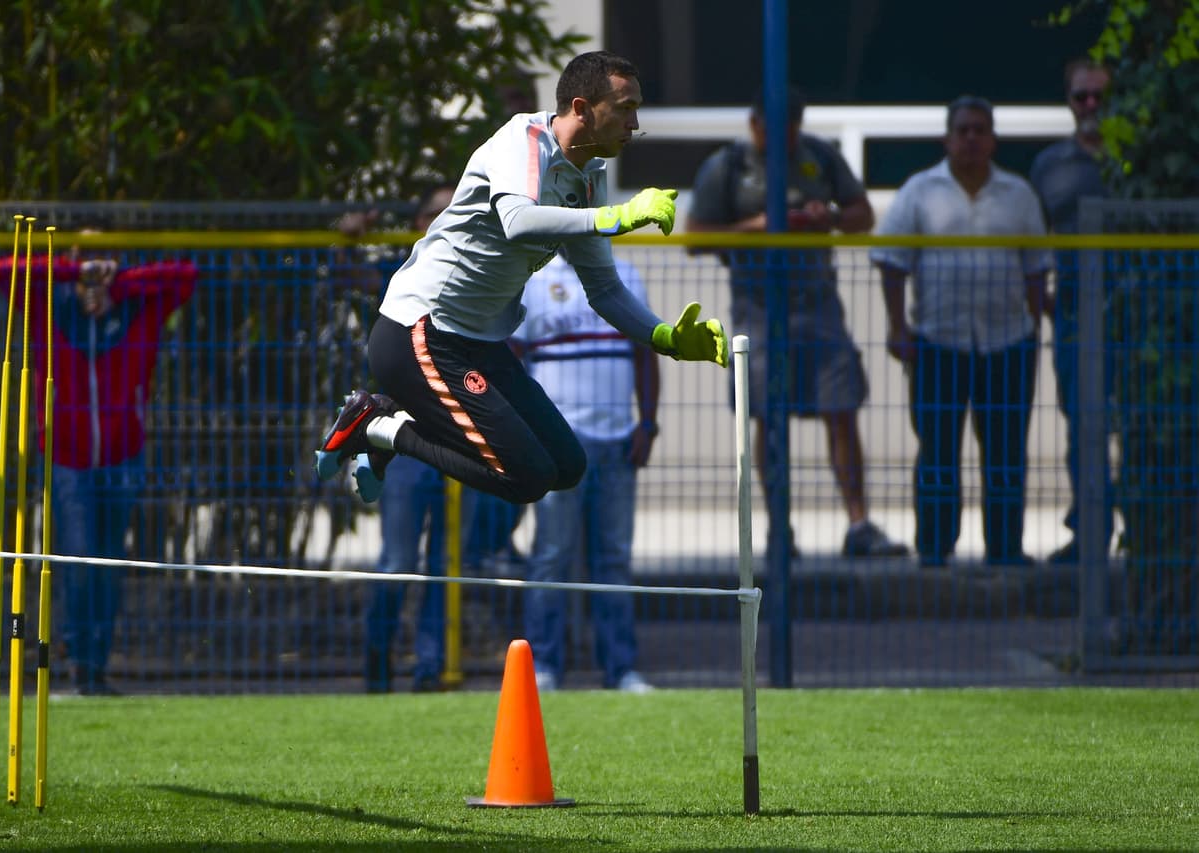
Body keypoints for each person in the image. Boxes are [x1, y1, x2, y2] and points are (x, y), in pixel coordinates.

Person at [313, 51, 727, 510]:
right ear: (582, 108)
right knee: (526, 477)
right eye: (625, 107)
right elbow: (518, 220)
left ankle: (386, 426)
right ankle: (380, 426)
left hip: (479, 341)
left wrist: (662, 336)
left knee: (566, 466)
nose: (634, 123)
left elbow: (604, 289)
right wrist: (616, 217)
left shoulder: (589, 176)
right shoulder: (523, 138)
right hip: (422, 331)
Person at [687, 88, 907, 558]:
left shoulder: (820, 157)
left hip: (818, 302)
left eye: (791, 124)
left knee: (841, 407)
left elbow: (861, 216)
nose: (781, 133)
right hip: (759, 307)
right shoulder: (729, 166)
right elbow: (694, 237)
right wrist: (762, 226)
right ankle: (778, 531)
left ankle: (859, 525)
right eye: (772, 123)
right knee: (769, 415)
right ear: (754, 123)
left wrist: (822, 217)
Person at [0, 230, 196, 694]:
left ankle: (98, 666)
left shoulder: (137, 306)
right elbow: (4, 272)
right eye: (86, 258)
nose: (95, 266)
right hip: (66, 459)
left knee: (108, 564)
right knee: (78, 561)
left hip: (124, 455)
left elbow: (187, 276)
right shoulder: (51, 305)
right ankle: (78, 661)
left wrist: (119, 285)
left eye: (105, 257)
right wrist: (75, 275)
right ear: (72, 259)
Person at [871, 96, 1052, 568]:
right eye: (964, 130)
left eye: (980, 130)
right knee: (938, 450)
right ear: (947, 139)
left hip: (1009, 342)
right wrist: (897, 327)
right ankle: (934, 549)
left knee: (1007, 450)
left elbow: (1036, 269)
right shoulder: (919, 191)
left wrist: (1034, 327)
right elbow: (892, 263)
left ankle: (1006, 550)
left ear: (993, 139)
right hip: (936, 341)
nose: (972, 139)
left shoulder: (1019, 194)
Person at [515, 251, 658, 693]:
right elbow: (513, 361)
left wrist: (648, 423)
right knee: (551, 557)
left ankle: (621, 669)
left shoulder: (624, 271)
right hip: (559, 445)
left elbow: (646, 352)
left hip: (618, 442)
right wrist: (528, 432)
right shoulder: (531, 277)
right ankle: (543, 669)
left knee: (613, 560)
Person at [357, 184, 472, 693]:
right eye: (433, 211)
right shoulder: (401, 277)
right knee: (398, 561)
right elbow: (346, 278)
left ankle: (431, 667)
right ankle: (377, 662)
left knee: (446, 563)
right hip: (402, 444)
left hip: (455, 440)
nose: (443, 219)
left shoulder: (473, 279)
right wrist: (348, 241)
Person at [1028, 58, 1114, 564]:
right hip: (1076, 318)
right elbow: (1033, 243)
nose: (1089, 106)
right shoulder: (1050, 165)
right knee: (1084, 429)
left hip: (1142, 313)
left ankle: (1150, 534)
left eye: (1098, 96)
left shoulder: (1139, 156)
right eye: (1080, 96)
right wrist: (1046, 304)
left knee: (1150, 427)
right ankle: (1089, 536)